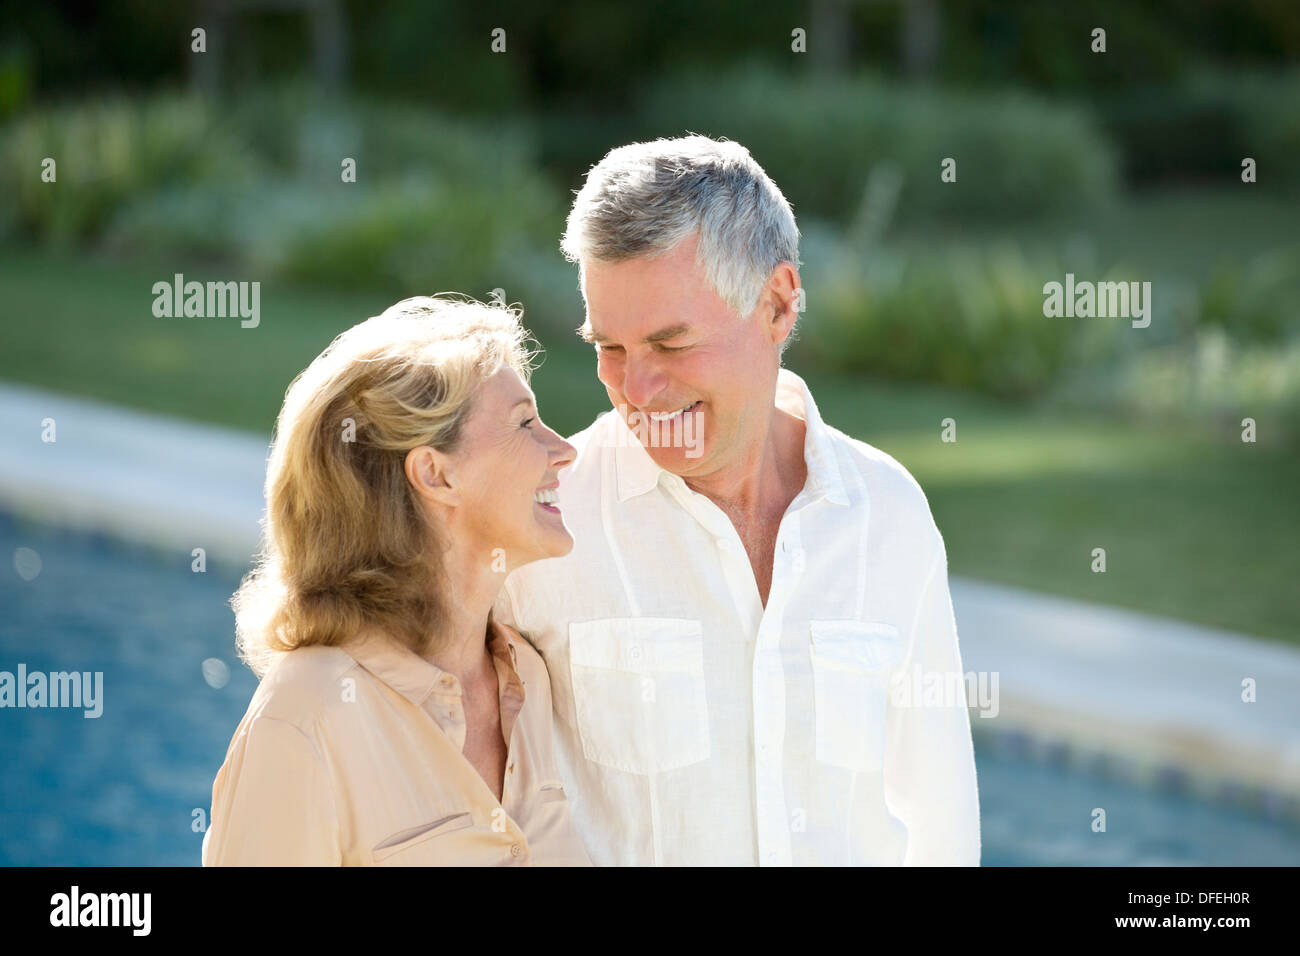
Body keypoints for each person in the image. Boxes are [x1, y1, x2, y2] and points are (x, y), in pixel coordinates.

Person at [494, 135, 981, 866]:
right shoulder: (543, 516)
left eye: (672, 342)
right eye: (612, 348)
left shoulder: (890, 515)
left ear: (778, 305)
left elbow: (940, 820)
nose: (638, 389)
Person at [202, 294, 590, 866]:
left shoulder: (527, 678)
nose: (564, 450)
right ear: (436, 474)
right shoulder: (305, 719)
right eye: (525, 423)